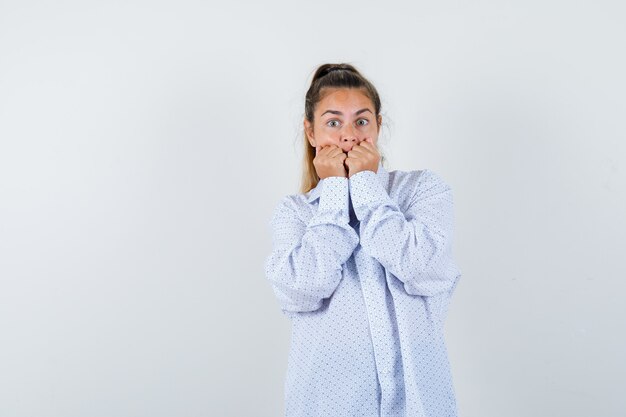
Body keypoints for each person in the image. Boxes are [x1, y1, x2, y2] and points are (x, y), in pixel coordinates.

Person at [264, 63, 463, 417]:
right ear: (311, 133)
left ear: (378, 126)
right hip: (329, 402)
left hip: (417, 402)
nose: (349, 135)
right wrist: (336, 192)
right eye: (333, 122)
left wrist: (367, 188)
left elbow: (420, 267)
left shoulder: (422, 190)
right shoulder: (295, 213)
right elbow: (302, 290)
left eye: (361, 120)